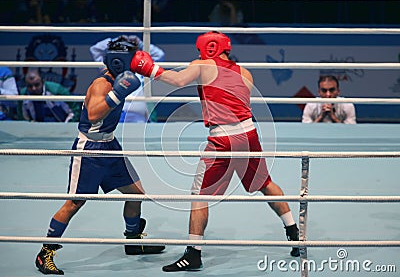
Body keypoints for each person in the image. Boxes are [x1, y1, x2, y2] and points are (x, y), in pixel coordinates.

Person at [130, 31, 300, 272]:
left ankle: (193, 254)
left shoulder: (202, 64)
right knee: (265, 183)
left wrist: (149, 68)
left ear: (207, 48)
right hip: (250, 134)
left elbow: (178, 81)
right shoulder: (244, 72)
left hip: (223, 138)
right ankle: (295, 233)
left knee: (199, 195)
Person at [34, 37, 165, 275]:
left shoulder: (119, 79)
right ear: (120, 61)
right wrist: (118, 94)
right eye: (133, 58)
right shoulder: (102, 84)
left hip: (111, 146)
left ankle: (133, 242)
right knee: (75, 202)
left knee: (136, 194)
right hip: (90, 150)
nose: (137, 63)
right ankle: (45, 254)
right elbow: (93, 114)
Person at [90, 35, 165, 123]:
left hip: (139, 117)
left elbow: (159, 55)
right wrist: (116, 41)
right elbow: (95, 49)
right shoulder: (110, 68)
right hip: (115, 113)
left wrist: (139, 43)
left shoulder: (142, 69)